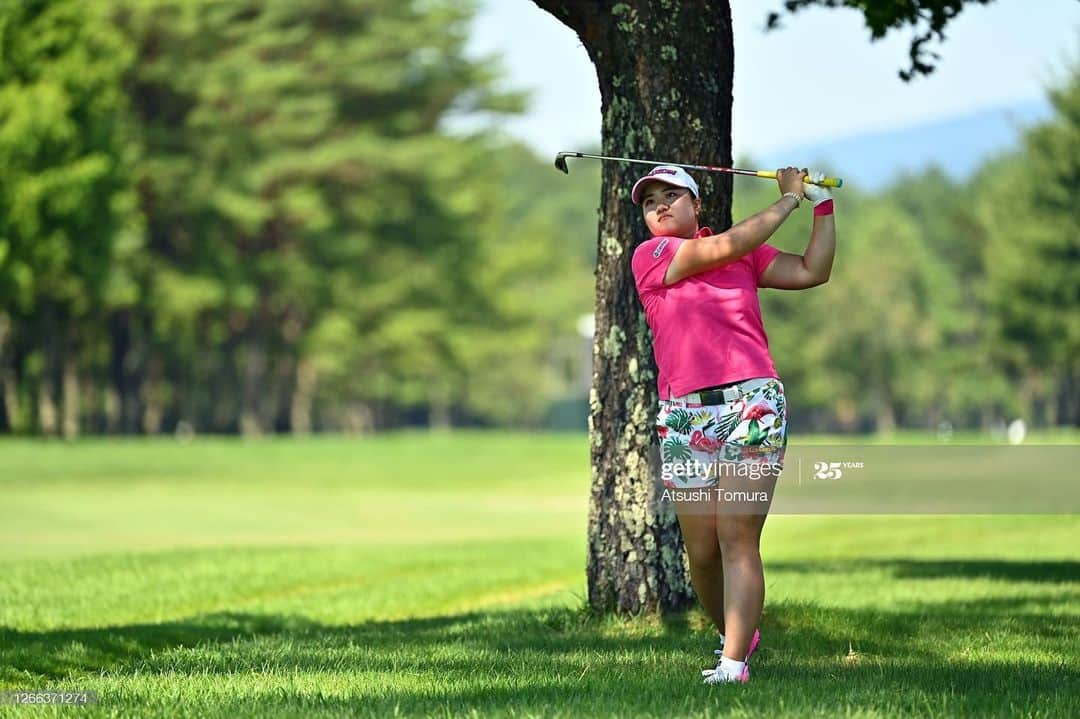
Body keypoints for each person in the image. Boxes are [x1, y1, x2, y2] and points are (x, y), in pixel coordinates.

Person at [629, 164, 836, 684]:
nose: (659, 205)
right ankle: (737, 632)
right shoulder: (651, 257)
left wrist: (820, 205)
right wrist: (786, 201)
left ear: (696, 205)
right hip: (685, 414)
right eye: (650, 200)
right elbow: (722, 248)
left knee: (736, 536)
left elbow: (813, 270)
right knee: (700, 554)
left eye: (671, 195)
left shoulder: (743, 252)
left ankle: (733, 664)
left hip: (752, 402)